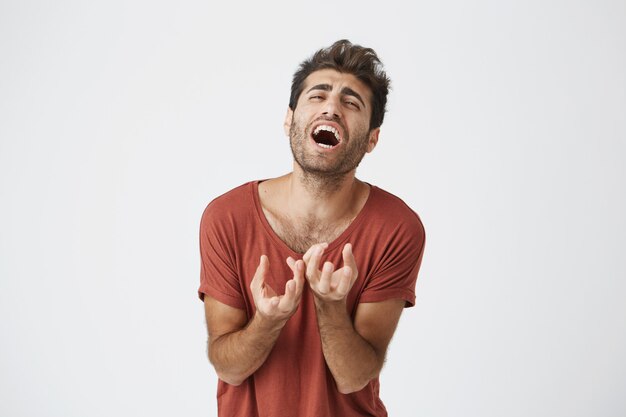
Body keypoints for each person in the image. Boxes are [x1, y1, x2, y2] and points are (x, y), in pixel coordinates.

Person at [198, 39, 426, 417]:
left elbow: (355, 377)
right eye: (317, 96)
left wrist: (331, 307)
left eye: (351, 103)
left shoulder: (397, 228)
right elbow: (229, 367)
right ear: (290, 119)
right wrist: (268, 322)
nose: (332, 108)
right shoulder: (226, 218)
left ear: (372, 139)